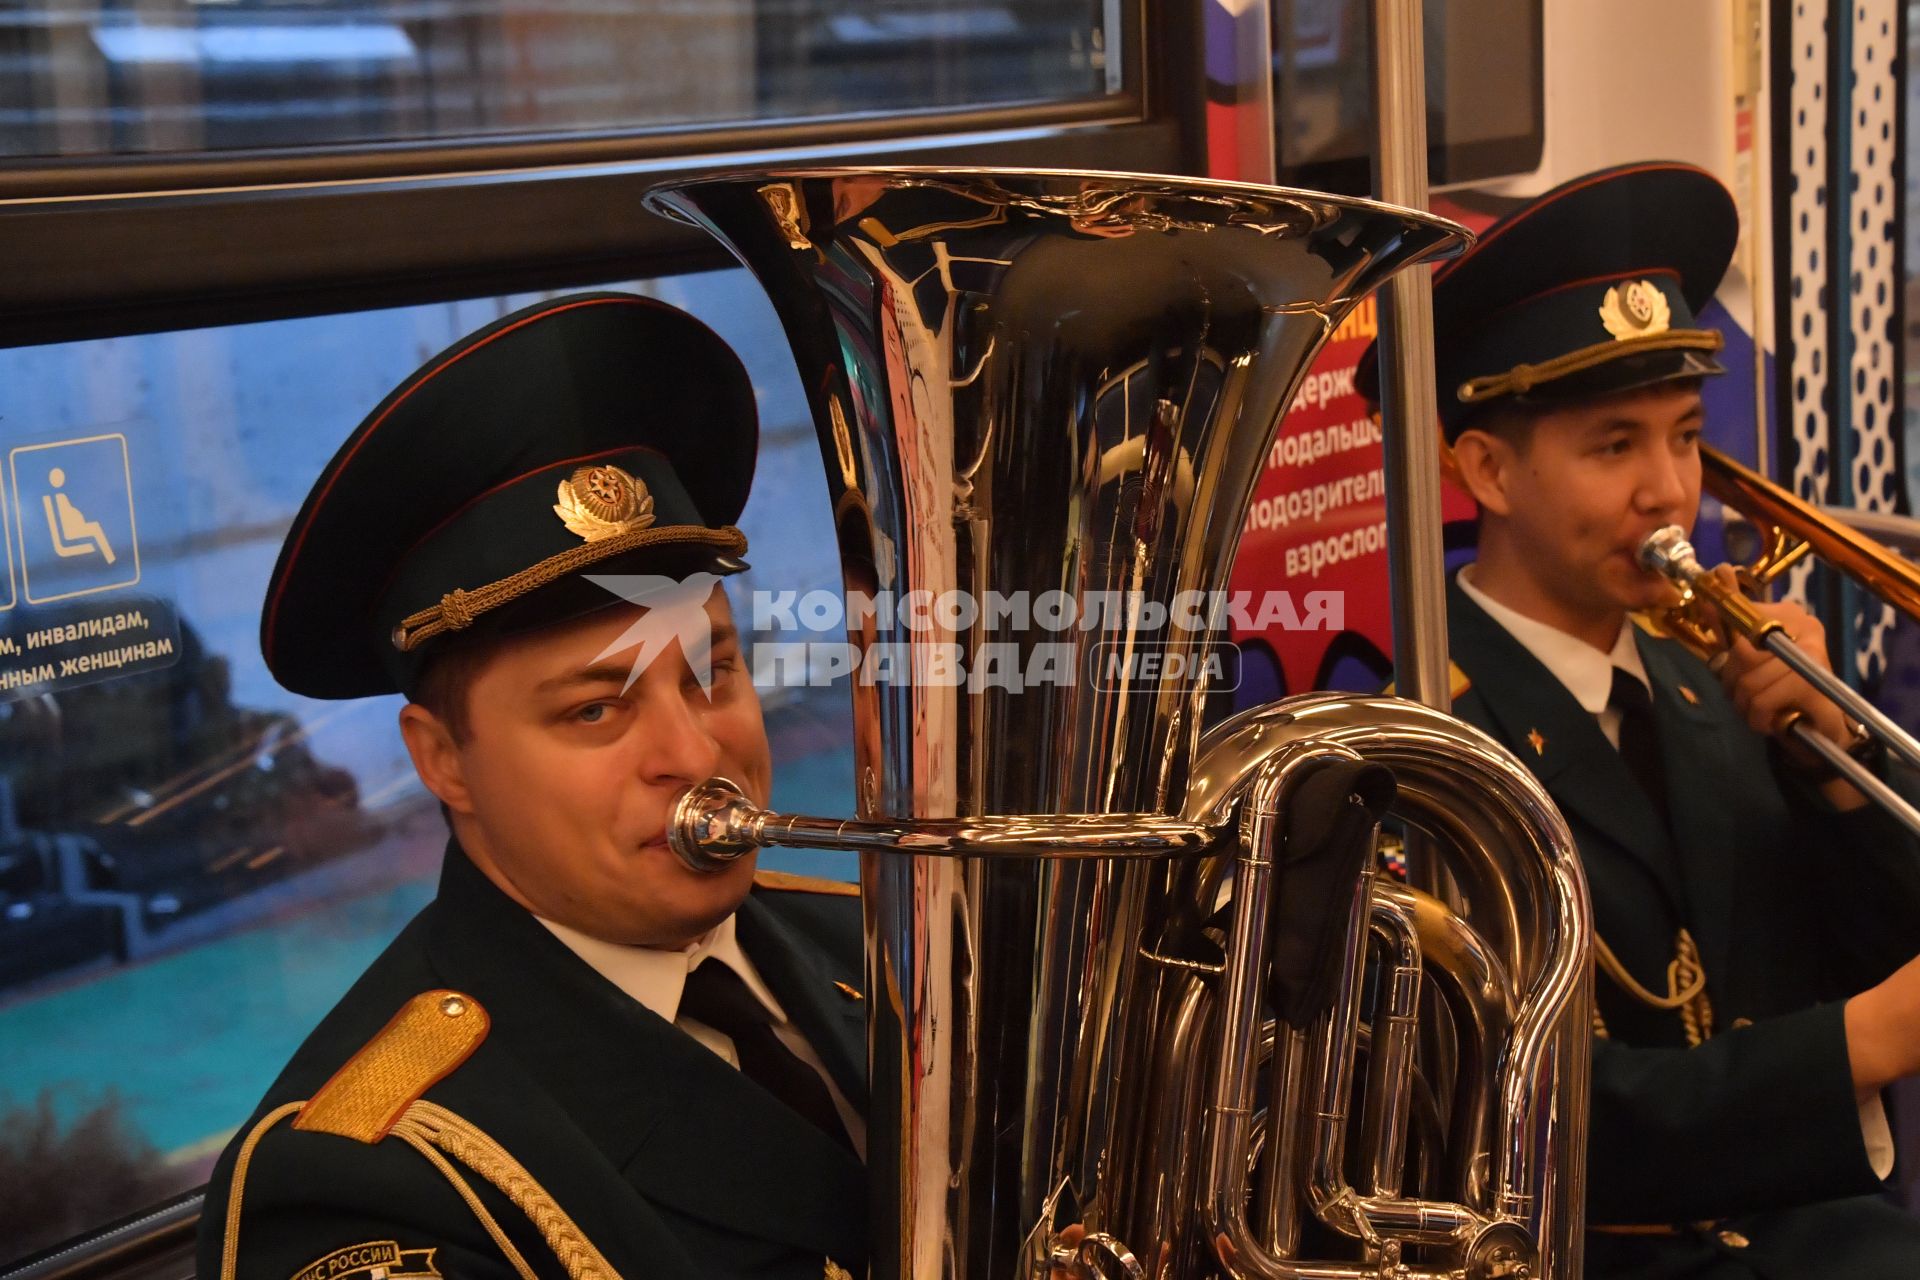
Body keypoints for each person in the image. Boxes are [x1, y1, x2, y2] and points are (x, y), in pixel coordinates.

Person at [195, 293, 867, 1280]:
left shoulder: (873, 944)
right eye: (596, 708)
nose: (693, 749)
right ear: (442, 761)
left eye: (709, 669)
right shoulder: (361, 1174)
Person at [1363, 161, 1920, 1278]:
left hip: (1818, 1236)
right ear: (1488, 469)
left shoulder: (1699, 675)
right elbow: (1521, 1117)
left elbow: (1862, 942)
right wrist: (1864, 1040)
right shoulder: (1427, 745)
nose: (1671, 491)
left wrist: (1837, 768)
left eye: (1683, 434)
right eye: (1615, 446)